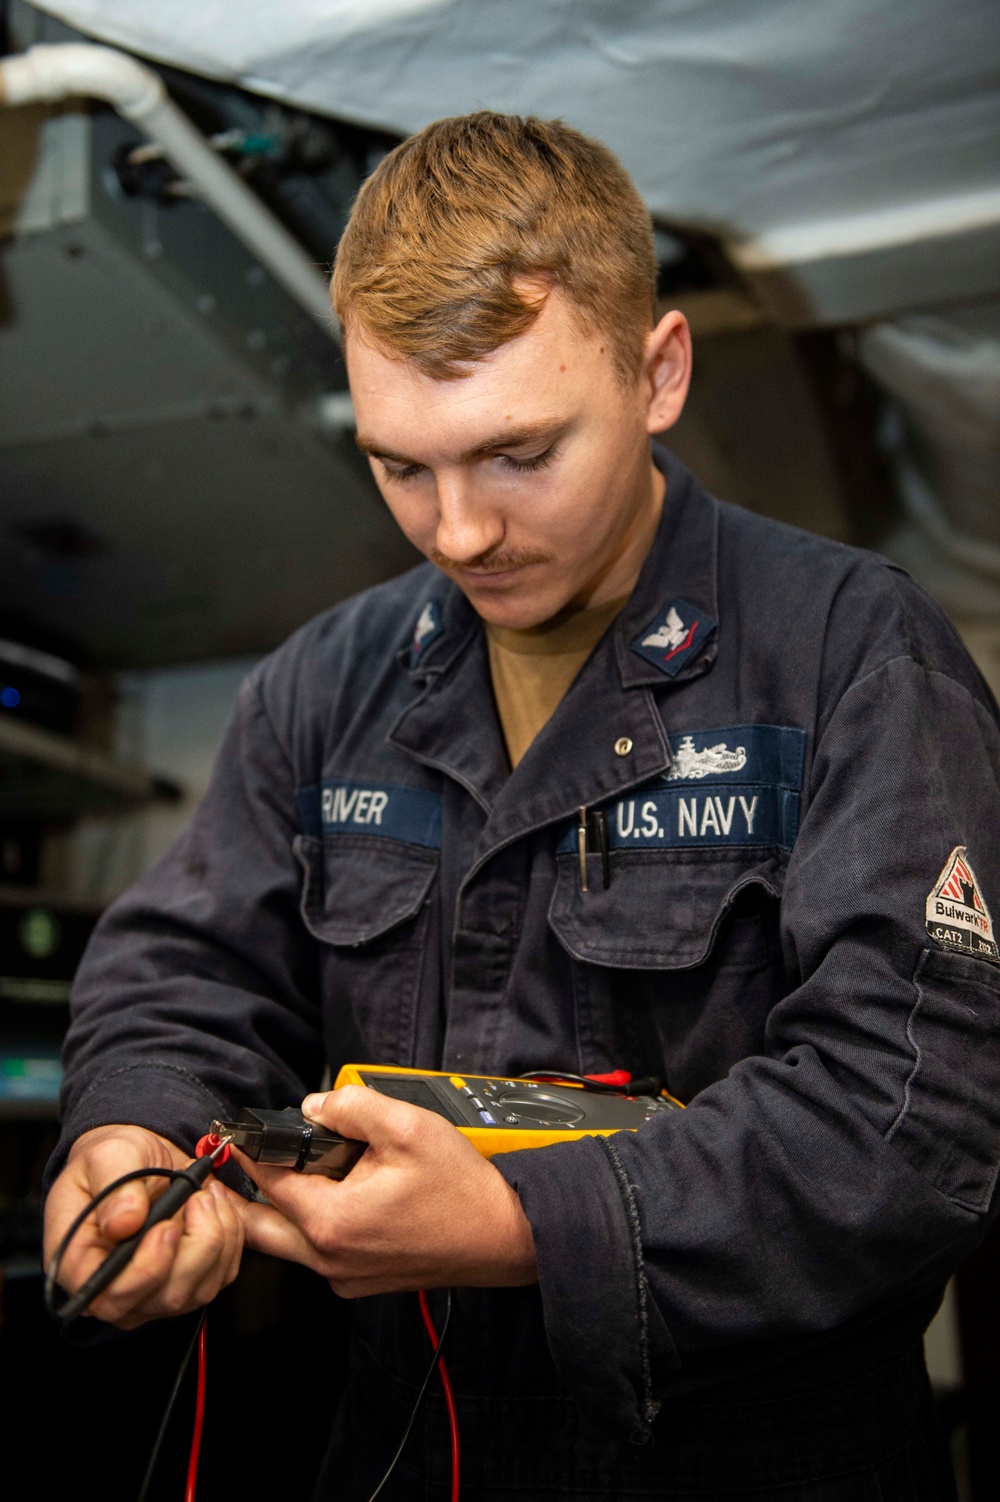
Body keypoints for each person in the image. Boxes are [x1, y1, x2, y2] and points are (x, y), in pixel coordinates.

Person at [44, 113, 1000, 1501]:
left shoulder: (855, 654)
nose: (458, 531)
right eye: (399, 464)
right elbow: (183, 965)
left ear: (658, 372)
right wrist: (130, 1127)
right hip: (403, 1452)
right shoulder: (327, 683)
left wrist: (519, 1221)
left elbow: (914, 1116)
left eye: (518, 453)